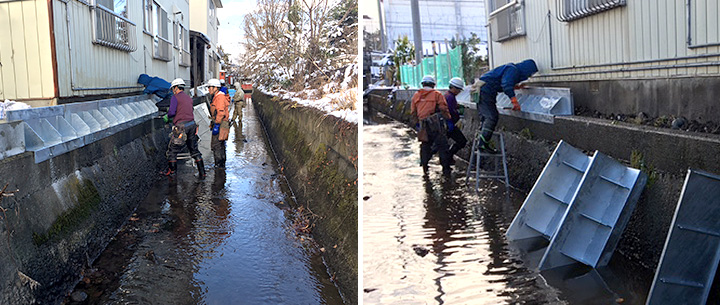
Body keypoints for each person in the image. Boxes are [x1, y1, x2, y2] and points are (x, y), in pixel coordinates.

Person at [477, 59, 538, 152]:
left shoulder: (511, 69)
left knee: (486, 117)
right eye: (529, 74)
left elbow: (501, 83)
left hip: (481, 90)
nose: (528, 76)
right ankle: (482, 145)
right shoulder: (513, 69)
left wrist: (515, 87)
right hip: (485, 91)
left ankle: (482, 141)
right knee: (491, 117)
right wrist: (514, 101)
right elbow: (506, 84)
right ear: (526, 69)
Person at [162, 78, 206, 178]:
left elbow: (172, 112)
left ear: (176, 87)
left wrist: (167, 117)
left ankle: (172, 174)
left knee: (172, 151)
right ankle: (202, 173)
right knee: (194, 150)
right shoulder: (188, 98)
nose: (173, 90)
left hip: (181, 128)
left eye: (173, 88)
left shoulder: (175, 98)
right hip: (192, 125)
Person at [411, 75, 452, 177]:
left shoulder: (416, 95)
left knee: (425, 146)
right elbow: (443, 108)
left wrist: (417, 124)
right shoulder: (437, 94)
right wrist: (448, 119)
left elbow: (413, 112)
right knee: (442, 146)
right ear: (433, 84)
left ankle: (425, 167)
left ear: (423, 84)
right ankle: (446, 170)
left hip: (423, 125)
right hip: (436, 126)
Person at [207, 78, 230, 168]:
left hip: (220, 124)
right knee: (221, 145)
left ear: (215, 88)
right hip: (222, 123)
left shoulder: (219, 97)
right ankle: (222, 164)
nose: (208, 89)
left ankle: (218, 165)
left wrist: (216, 124)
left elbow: (221, 112)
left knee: (216, 145)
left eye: (209, 87)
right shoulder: (218, 96)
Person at [444, 77, 468, 164]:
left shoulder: (448, 95)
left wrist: (457, 106)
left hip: (447, 124)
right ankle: (448, 157)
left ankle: (447, 158)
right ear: (453, 88)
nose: (459, 92)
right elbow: (451, 111)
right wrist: (459, 114)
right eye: (458, 90)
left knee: (441, 144)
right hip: (449, 124)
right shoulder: (450, 97)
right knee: (462, 141)